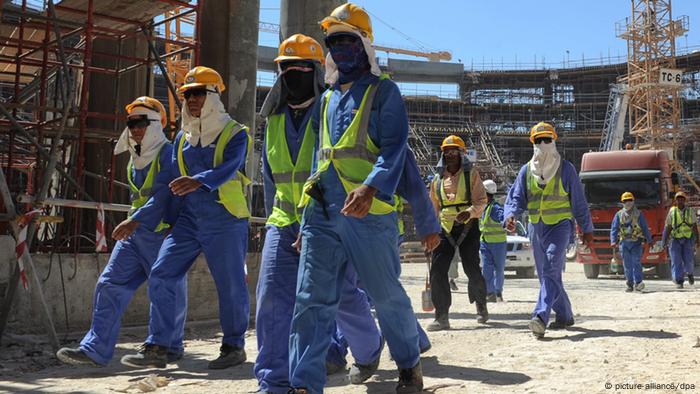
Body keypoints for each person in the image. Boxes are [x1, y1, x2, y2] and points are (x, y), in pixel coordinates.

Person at [287, 4, 424, 393]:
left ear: (365, 45)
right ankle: (303, 384)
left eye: (348, 41)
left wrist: (371, 187)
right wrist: (306, 216)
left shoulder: (385, 93)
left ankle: (409, 366)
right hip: (323, 211)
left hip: (369, 213)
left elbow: (395, 149)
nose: (340, 49)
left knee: (385, 295)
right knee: (310, 299)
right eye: (333, 43)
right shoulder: (327, 100)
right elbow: (320, 159)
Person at [255, 34, 385, 393]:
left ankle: (369, 347)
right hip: (283, 222)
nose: (293, 75)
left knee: (340, 295)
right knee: (272, 300)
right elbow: (270, 180)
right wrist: (271, 221)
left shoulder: (334, 111)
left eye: (301, 68)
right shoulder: (274, 122)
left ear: (316, 71)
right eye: (286, 68)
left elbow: (337, 171)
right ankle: (274, 382)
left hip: (328, 220)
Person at [119, 66, 252, 369]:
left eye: (198, 93)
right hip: (189, 220)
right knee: (163, 272)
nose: (191, 99)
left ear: (215, 96)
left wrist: (199, 180)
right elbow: (167, 188)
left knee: (230, 284)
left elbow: (229, 167)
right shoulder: (181, 138)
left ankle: (233, 346)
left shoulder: (235, 133)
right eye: (187, 94)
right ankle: (160, 346)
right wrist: (138, 218)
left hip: (225, 218)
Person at [56, 97, 186, 367]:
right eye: (131, 123)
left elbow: (164, 194)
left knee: (164, 288)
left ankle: (165, 347)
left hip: (159, 233)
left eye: (141, 123)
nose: (135, 129)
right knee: (109, 284)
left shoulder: (167, 153)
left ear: (154, 125)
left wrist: (134, 221)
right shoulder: (134, 161)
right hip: (136, 234)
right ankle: (95, 349)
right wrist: (135, 224)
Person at [503, 121, 593, 339]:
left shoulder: (566, 169)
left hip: (560, 227)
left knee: (551, 269)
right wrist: (510, 215)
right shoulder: (526, 171)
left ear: (554, 142)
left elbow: (579, 203)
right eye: (538, 140)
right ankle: (565, 315)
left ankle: (540, 316)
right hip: (536, 227)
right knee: (546, 276)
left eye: (547, 140)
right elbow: (515, 198)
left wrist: (587, 229)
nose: (543, 144)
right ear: (533, 143)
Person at [427, 135, 489, 331]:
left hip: (468, 227)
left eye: (455, 151)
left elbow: (481, 201)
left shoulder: (472, 175)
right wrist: (429, 231)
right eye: (447, 152)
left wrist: (469, 213)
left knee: (472, 268)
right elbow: (433, 208)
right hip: (444, 229)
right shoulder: (437, 180)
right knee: (437, 271)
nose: (450, 155)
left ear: (462, 154)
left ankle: (480, 305)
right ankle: (441, 316)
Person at [610, 192, 652, 292]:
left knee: (636, 262)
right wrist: (613, 241)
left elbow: (645, 228)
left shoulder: (639, 214)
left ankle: (638, 283)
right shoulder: (619, 215)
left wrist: (649, 240)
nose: (627, 203)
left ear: (633, 202)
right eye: (625, 201)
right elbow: (614, 229)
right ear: (622, 203)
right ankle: (629, 284)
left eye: (629, 200)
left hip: (636, 242)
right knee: (627, 264)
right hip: (624, 243)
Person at [662, 191, 699, 288]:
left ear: (685, 200)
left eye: (682, 198)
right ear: (675, 200)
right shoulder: (672, 211)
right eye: (678, 199)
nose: (680, 200)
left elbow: (695, 226)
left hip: (687, 239)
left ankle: (690, 274)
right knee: (676, 260)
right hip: (675, 240)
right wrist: (664, 240)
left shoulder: (690, 211)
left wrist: (697, 240)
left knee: (689, 260)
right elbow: (668, 227)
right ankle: (679, 280)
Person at [480, 179, 507, 302]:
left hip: (498, 244)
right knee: (486, 269)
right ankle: (489, 292)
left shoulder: (495, 208)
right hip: (485, 243)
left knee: (499, 269)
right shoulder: (485, 208)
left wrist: (507, 221)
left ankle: (498, 292)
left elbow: (503, 217)